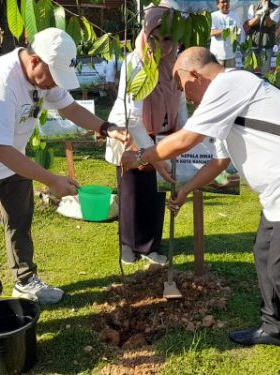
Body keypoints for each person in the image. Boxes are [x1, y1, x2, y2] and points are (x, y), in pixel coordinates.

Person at [121, 47, 280, 375]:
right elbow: (219, 160)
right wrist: (187, 188)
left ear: (195, 76)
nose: (182, 94)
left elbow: (185, 139)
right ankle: (277, 327)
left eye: (180, 84)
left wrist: (142, 156)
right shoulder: (225, 99)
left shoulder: (231, 85)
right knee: (264, 253)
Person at [0, 28, 130, 304]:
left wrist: (106, 127)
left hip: (14, 159)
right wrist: (51, 179)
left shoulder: (44, 78)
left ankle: (25, 281)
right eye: (54, 77)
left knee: (20, 222)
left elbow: (70, 108)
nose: (55, 85)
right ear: (34, 61)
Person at [105, 6, 182, 266]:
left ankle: (150, 245)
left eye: (168, 39)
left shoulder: (175, 61)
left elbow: (179, 100)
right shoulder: (135, 62)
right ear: (145, 34)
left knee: (156, 192)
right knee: (131, 190)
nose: (161, 46)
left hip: (162, 134)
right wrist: (154, 155)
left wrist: (181, 139)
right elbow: (134, 118)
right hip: (131, 134)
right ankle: (128, 244)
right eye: (154, 38)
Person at [246, 0, 279, 74]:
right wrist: (259, 15)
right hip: (253, 44)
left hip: (266, 45)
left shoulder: (275, 8)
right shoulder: (253, 6)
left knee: (265, 72)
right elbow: (249, 23)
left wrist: (265, 12)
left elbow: (268, 24)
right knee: (249, 71)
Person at [210, 0, 242, 68]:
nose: (225, 4)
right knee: (217, 77)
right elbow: (211, 32)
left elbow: (238, 31)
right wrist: (227, 30)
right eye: (222, 2)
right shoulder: (213, 16)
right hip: (216, 56)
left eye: (227, 1)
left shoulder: (235, 16)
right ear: (217, 5)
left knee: (230, 77)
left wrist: (237, 32)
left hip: (231, 55)